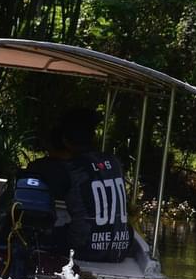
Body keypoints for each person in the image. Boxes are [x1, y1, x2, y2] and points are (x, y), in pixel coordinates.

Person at [23, 107, 131, 262]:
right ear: (93, 136)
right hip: (120, 247)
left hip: (85, 248)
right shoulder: (114, 162)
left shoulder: (67, 169)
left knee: (37, 234)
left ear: (65, 140)